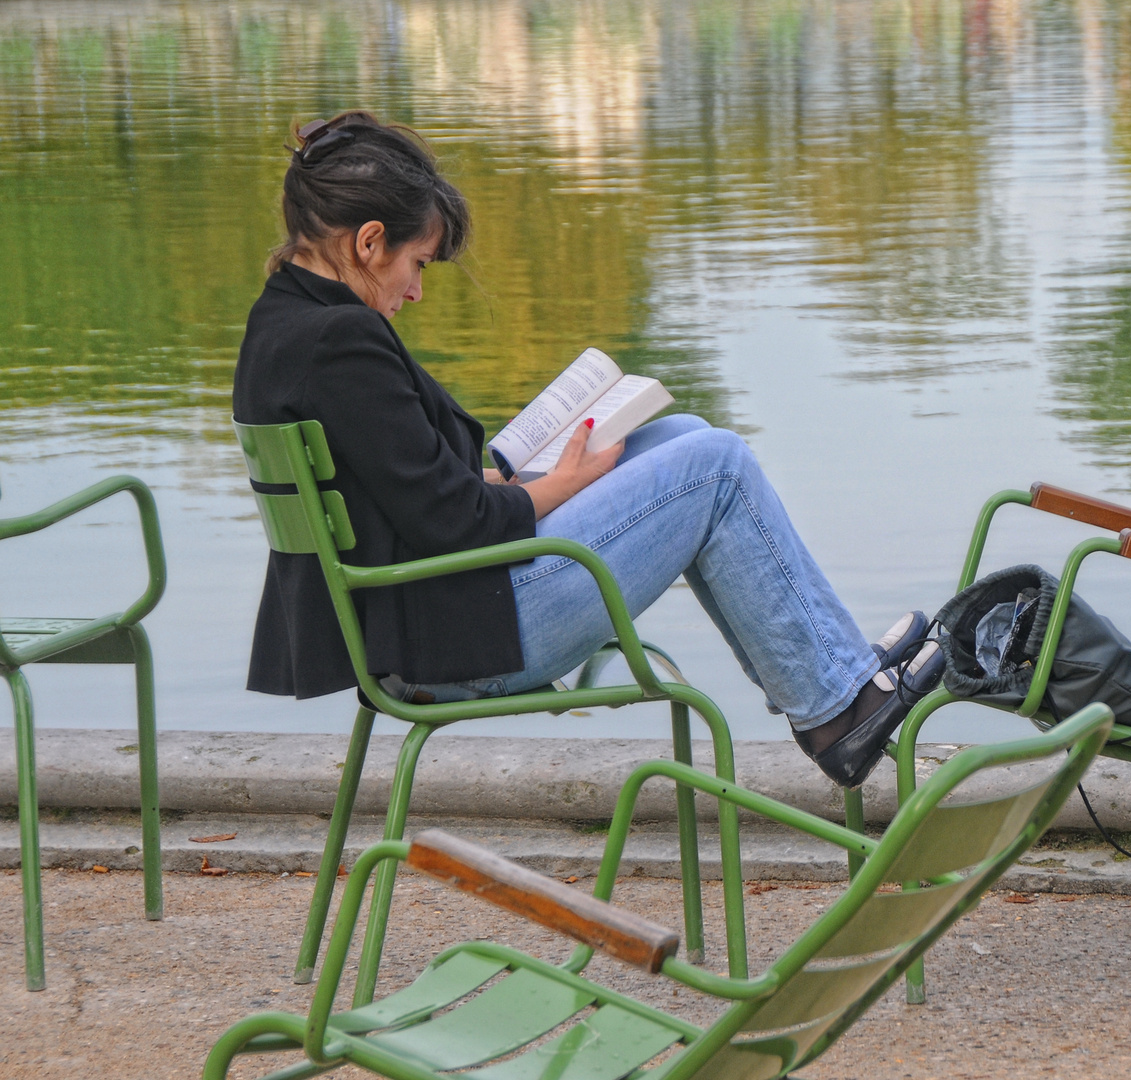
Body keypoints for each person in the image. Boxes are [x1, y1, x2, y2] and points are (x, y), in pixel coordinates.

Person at [233, 111, 940, 787]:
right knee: (717, 466)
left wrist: (511, 474)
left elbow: (396, 493)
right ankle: (840, 708)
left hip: (430, 618)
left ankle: (830, 686)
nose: (416, 292)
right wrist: (563, 480)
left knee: (681, 435)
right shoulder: (340, 342)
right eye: (416, 265)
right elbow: (458, 524)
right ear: (367, 241)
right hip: (463, 644)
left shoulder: (283, 323)